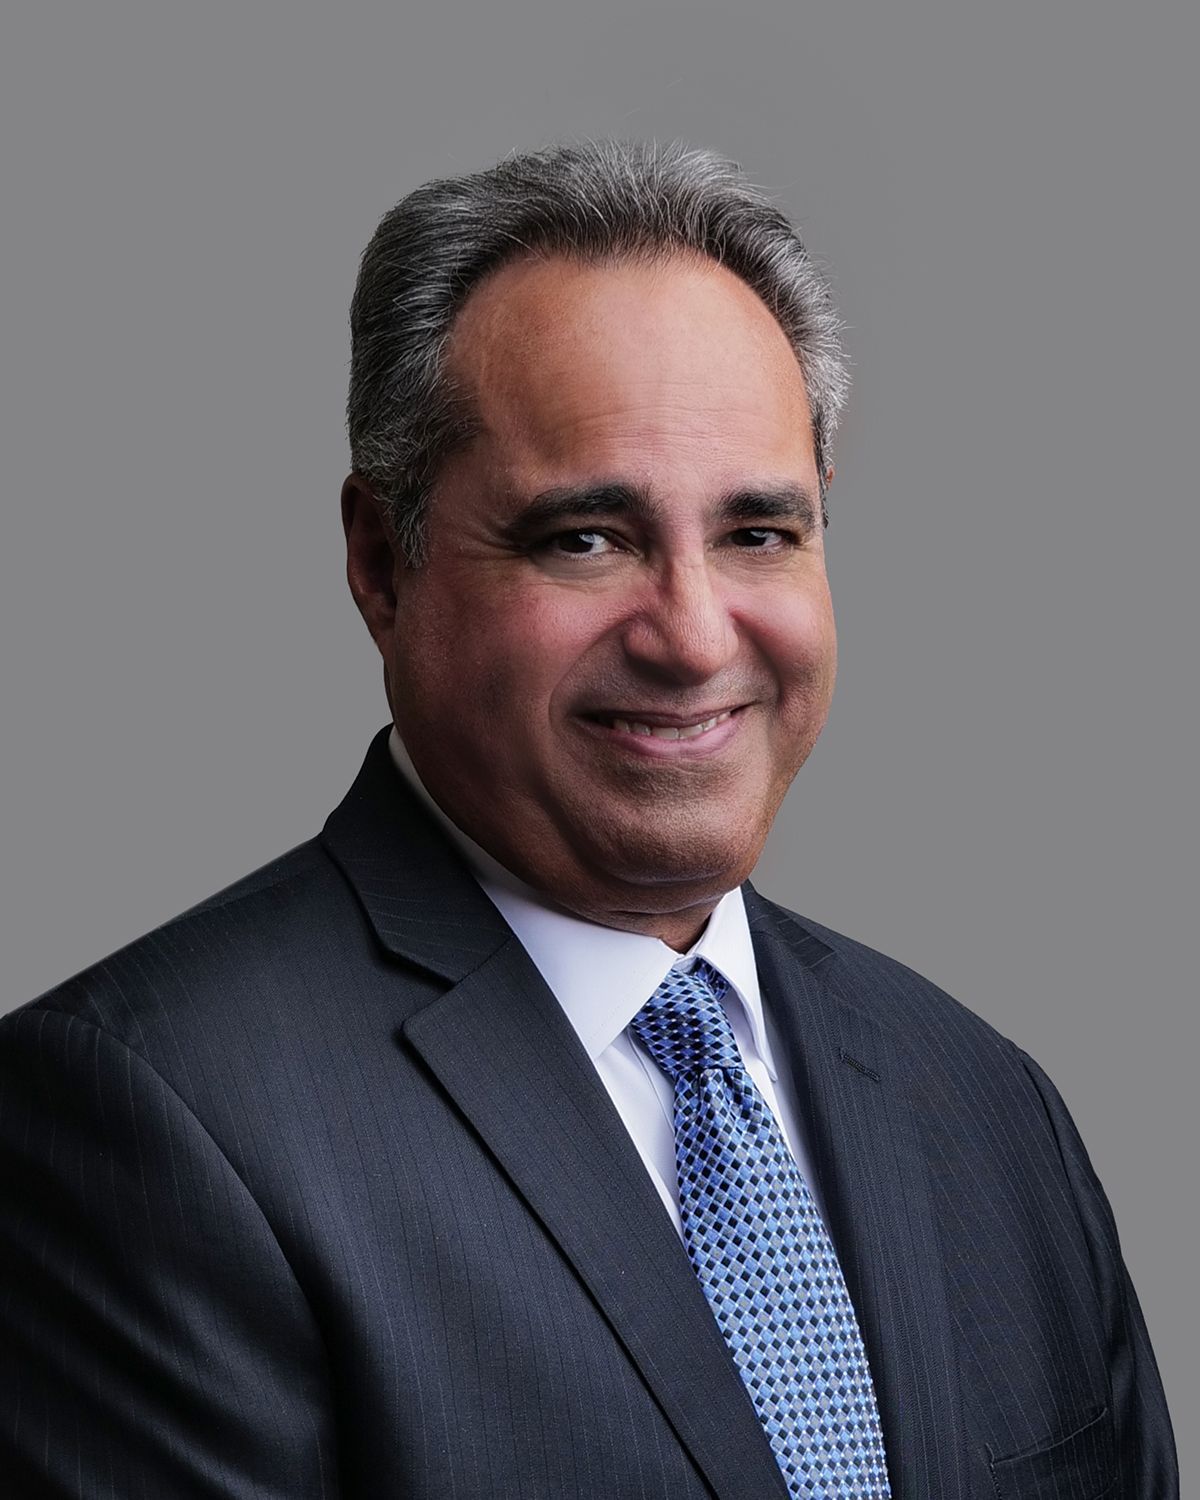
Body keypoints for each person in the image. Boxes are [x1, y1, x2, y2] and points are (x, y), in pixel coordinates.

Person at [0, 141, 1176, 1500]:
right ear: (384, 565)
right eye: (586, 538)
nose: (690, 635)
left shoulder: (987, 1107)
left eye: (758, 534)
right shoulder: (141, 1123)